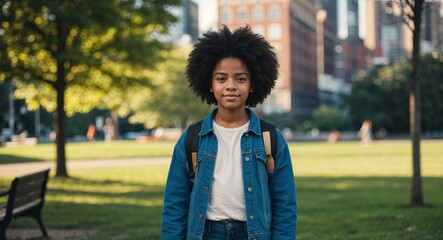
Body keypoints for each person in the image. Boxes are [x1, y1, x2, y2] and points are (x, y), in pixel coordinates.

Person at [161, 26, 297, 240]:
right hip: (205, 234)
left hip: (252, 234)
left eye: (240, 79)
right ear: (210, 83)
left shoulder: (270, 138)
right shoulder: (191, 139)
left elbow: (285, 205)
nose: (231, 86)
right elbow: (175, 204)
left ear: (253, 84)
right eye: (221, 78)